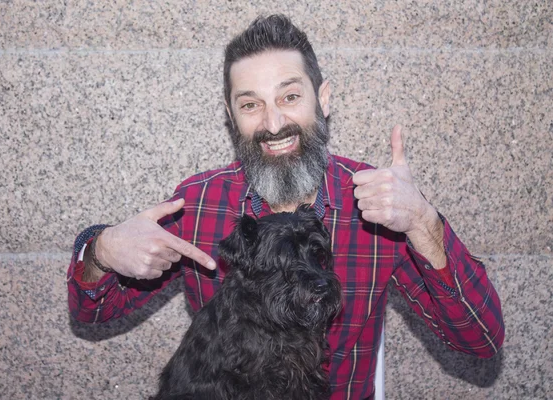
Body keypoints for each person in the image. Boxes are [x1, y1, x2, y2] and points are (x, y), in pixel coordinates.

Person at [67, 15, 504, 399]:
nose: (273, 124)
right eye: (251, 104)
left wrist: (424, 223)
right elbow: (93, 312)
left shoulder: (381, 208)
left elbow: (480, 342)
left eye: (289, 97)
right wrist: (101, 251)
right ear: (230, 114)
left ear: (323, 98)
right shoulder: (198, 204)